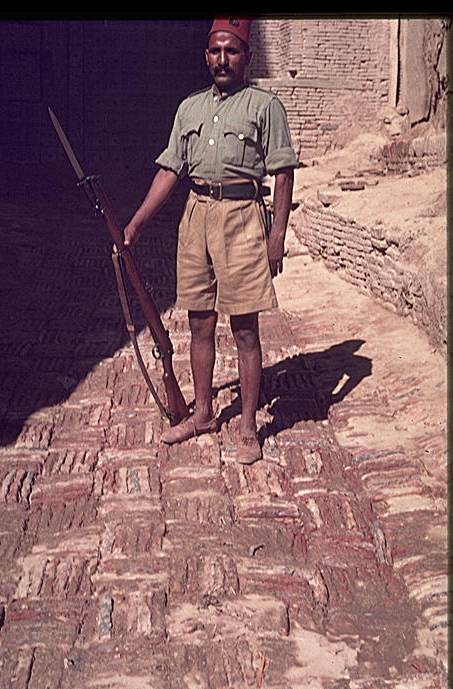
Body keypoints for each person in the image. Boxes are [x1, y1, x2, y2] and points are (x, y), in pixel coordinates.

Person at [118, 17, 298, 464]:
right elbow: (170, 170)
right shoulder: (189, 108)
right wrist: (136, 224)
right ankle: (202, 414)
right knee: (199, 322)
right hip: (196, 216)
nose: (222, 59)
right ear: (205, 56)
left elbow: (282, 172)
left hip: (242, 218)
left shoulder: (265, 106)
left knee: (244, 329)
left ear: (247, 57)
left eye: (231, 51)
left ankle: (248, 427)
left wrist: (277, 235)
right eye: (215, 51)